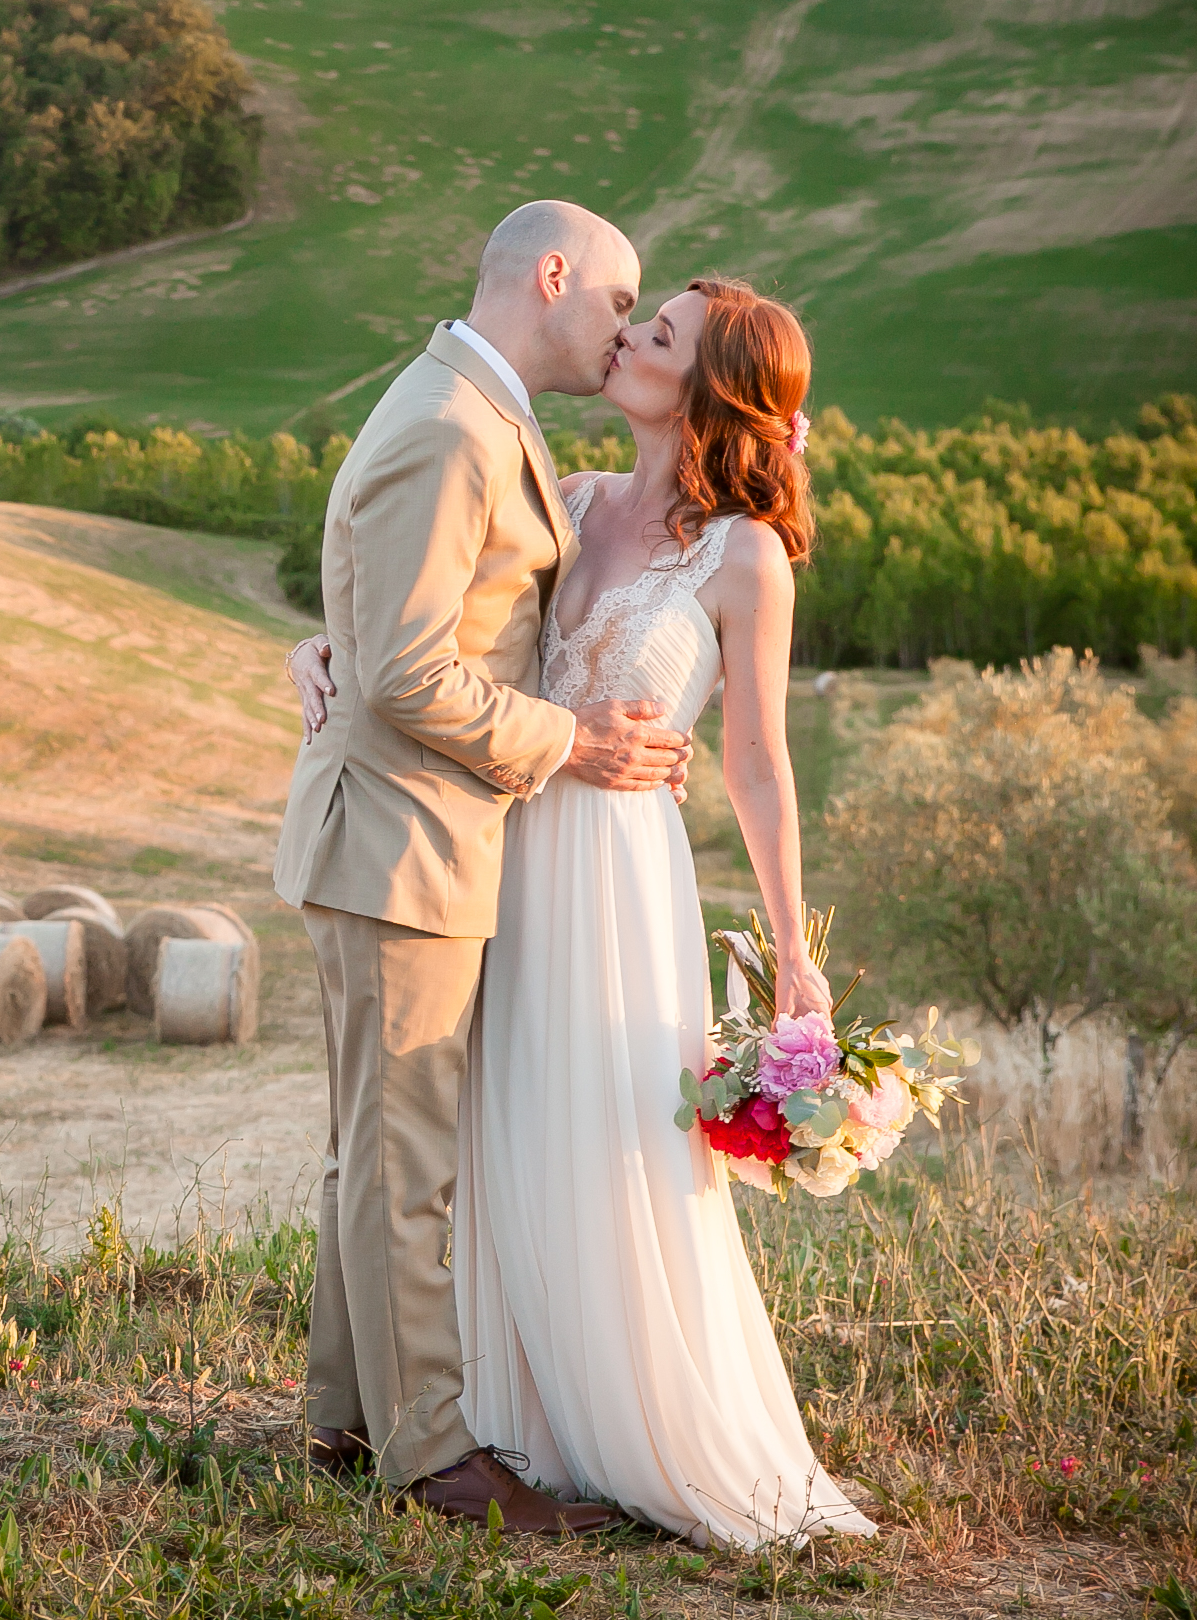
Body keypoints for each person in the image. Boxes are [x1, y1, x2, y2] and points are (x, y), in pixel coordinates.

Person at [289, 274, 873, 1550]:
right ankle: (493, 1410)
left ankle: (632, 1419)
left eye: (657, 333)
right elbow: (435, 620)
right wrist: (322, 642)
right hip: (500, 848)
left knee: (611, 1141)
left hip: (615, 876)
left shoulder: (745, 557)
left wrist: (791, 951)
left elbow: (760, 765)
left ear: (709, 386)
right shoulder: (576, 495)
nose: (628, 337)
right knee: (488, 1129)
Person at [270, 199, 693, 1536]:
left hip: (409, 834)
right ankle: (441, 1465)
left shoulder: (477, 408)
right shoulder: (454, 425)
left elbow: (388, 625)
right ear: (553, 277)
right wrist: (572, 740)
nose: (626, 326)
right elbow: (404, 669)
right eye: (620, 300)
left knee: (371, 1152)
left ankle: (347, 1422)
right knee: (404, 1164)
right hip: (402, 840)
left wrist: (324, 647)